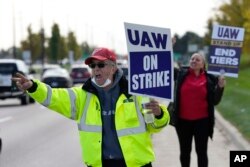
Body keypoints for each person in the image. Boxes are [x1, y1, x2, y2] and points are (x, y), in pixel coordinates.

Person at [12, 47, 170, 167]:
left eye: (101, 65)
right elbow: (54, 96)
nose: (96, 69)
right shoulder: (83, 94)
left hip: (135, 164)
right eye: (93, 66)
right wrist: (33, 87)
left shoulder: (135, 92)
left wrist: (159, 114)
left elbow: (156, 126)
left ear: (113, 68)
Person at [170, 52, 226, 167]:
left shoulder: (210, 79)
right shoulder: (181, 74)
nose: (194, 61)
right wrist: (169, 47)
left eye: (197, 60)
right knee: (185, 152)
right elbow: (165, 66)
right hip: (183, 122)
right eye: (192, 59)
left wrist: (220, 87)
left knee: (201, 152)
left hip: (202, 122)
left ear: (203, 65)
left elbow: (215, 101)